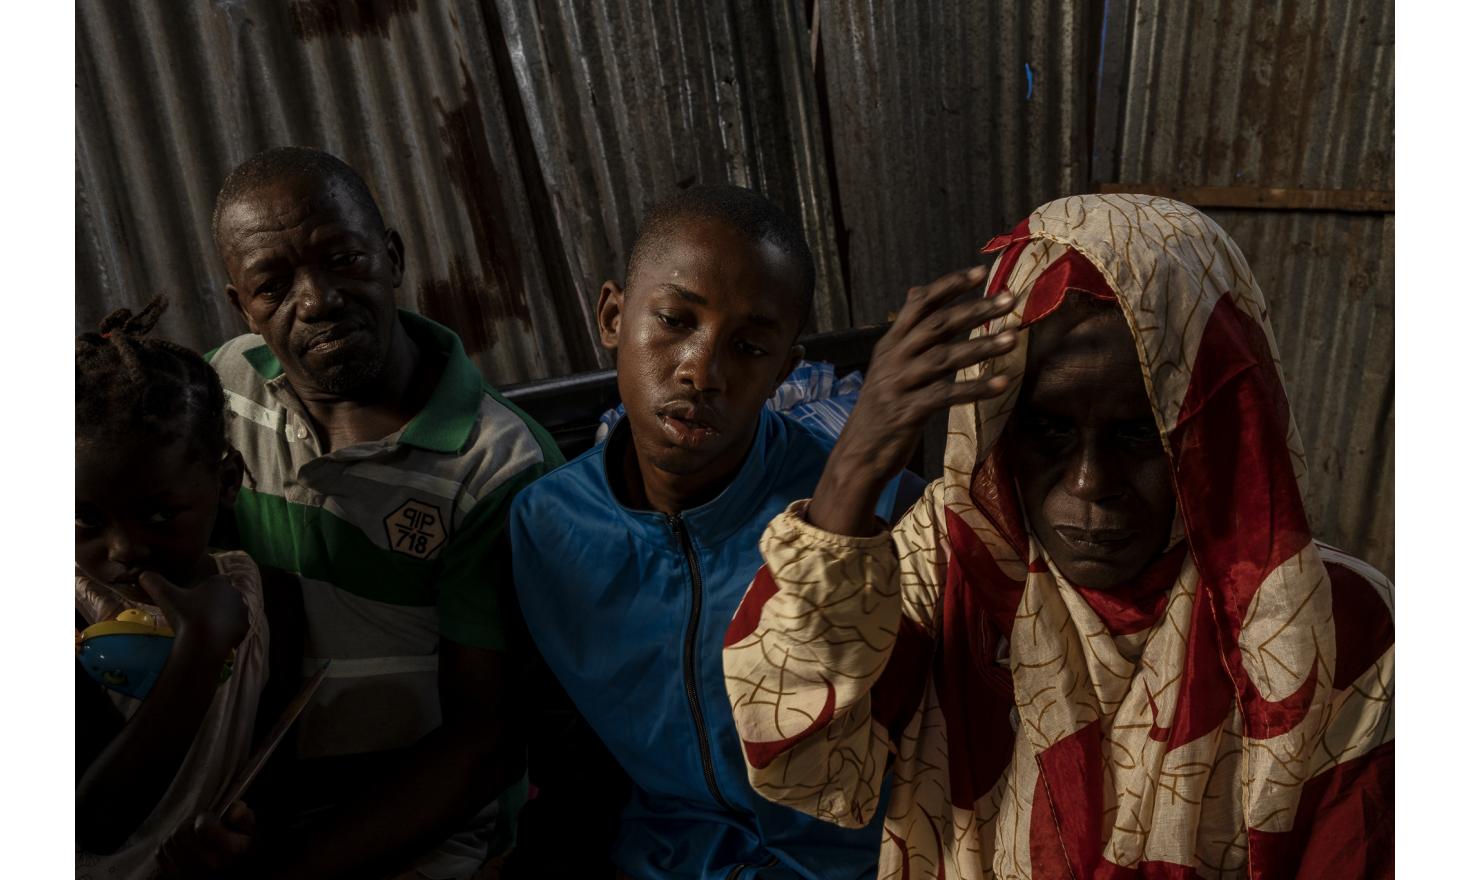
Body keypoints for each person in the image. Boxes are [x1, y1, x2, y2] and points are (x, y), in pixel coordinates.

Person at [723, 193, 1394, 878]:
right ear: (1000, 424)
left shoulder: (1340, 630)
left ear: (1212, 429)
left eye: (1141, 434)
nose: (1089, 483)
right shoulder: (954, 562)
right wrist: (853, 472)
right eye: (1048, 429)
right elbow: (802, 762)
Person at [509, 184, 917, 878]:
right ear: (613, 316)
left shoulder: (858, 509)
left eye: (750, 346)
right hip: (666, 856)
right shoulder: (548, 526)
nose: (702, 369)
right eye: (673, 319)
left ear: (783, 368)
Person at [198, 146, 562, 878]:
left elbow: (484, 741)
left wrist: (288, 869)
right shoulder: (224, 389)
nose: (318, 298)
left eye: (344, 259)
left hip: (428, 829)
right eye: (273, 284)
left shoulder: (497, 466)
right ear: (241, 304)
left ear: (392, 256)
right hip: (252, 808)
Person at [75, 299, 288, 880]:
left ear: (226, 482)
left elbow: (266, 772)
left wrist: (243, 840)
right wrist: (198, 648)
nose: (123, 550)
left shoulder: (264, 601)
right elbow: (91, 826)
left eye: (160, 515)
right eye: (83, 522)